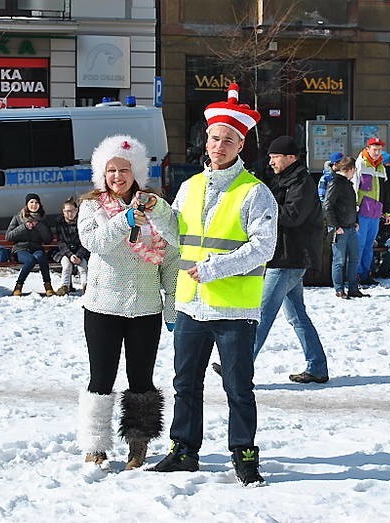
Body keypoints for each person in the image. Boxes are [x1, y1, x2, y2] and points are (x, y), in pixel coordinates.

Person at [152, 83, 277, 487]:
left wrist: (215, 269)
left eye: (228, 140)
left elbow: (265, 247)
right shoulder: (189, 187)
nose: (218, 146)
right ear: (204, 141)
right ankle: (184, 449)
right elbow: (178, 233)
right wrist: (153, 214)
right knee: (185, 383)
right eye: (213, 138)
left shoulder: (255, 192)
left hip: (233, 310)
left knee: (239, 387)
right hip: (190, 305)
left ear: (241, 145)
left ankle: (243, 454)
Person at [76, 135, 179, 471]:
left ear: (136, 172)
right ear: (101, 175)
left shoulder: (154, 207)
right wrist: (126, 220)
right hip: (102, 308)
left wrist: (171, 304)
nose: (117, 176)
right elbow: (95, 242)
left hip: (145, 308)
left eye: (124, 170)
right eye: (111, 171)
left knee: (141, 381)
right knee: (101, 378)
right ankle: (95, 445)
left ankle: (139, 445)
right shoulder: (92, 207)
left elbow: (170, 255)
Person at [252, 135, 328, 384]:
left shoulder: (302, 183)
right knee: (297, 316)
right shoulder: (285, 179)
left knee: (262, 313)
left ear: (290, 158)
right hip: (286, 255)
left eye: (276, 157)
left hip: (290, 257)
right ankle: (317, 367)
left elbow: (292, 216)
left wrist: (263, 209)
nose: (271, 161)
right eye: (271, 156)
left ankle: (239, 364)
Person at [325, 156, 366, 298]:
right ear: (350, 169)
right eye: (354, 170)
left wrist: (355, 220)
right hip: (340, 228)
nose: (354, 173)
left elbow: (350, 205)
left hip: (350, 226)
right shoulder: (335, 182)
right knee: (339, 260)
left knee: (354, 258)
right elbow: (328, 206)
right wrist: (335, 226)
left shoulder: (347, 183)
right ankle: (339, 289)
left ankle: (353, 288)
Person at [355, 137, 390, 285]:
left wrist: (387, 211)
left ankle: (366, 274)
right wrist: (354, 211)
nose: (377, 152)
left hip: (376, 212)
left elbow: (385, 192)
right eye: (374, 149)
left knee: (369, 245)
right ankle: (356, 275)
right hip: (362, 211)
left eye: (379, 150)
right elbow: (354, 187)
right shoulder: (360, 163)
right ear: (368, 148)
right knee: (359, 245)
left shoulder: (381, 167)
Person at [5, 193, 55, 296]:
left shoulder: (43, 218)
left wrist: (39, 226)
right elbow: (8, 237)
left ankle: (48, 285)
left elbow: (48, 240)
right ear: (27, 204)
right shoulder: (18, 217)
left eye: (36, 202)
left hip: (36, 248)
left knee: (41, 256)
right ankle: (18, 286)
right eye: (31, 202)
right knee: (30, 260)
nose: (34, 204)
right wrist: (23, 227)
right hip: (20, 249)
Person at [52, 197, 89, 296]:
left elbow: (85, 241)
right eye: (67, 211)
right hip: (65, 252)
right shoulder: (59, 222)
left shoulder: (82, 222)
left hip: (80, 251)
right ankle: (64, 287)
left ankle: (86, 286)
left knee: (82, 266)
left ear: (76, 210)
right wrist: (70, 255)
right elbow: (61, 242)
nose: (70, 213)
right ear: (63, 211)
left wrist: (79, 256)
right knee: (67, 265)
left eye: (72, 211)